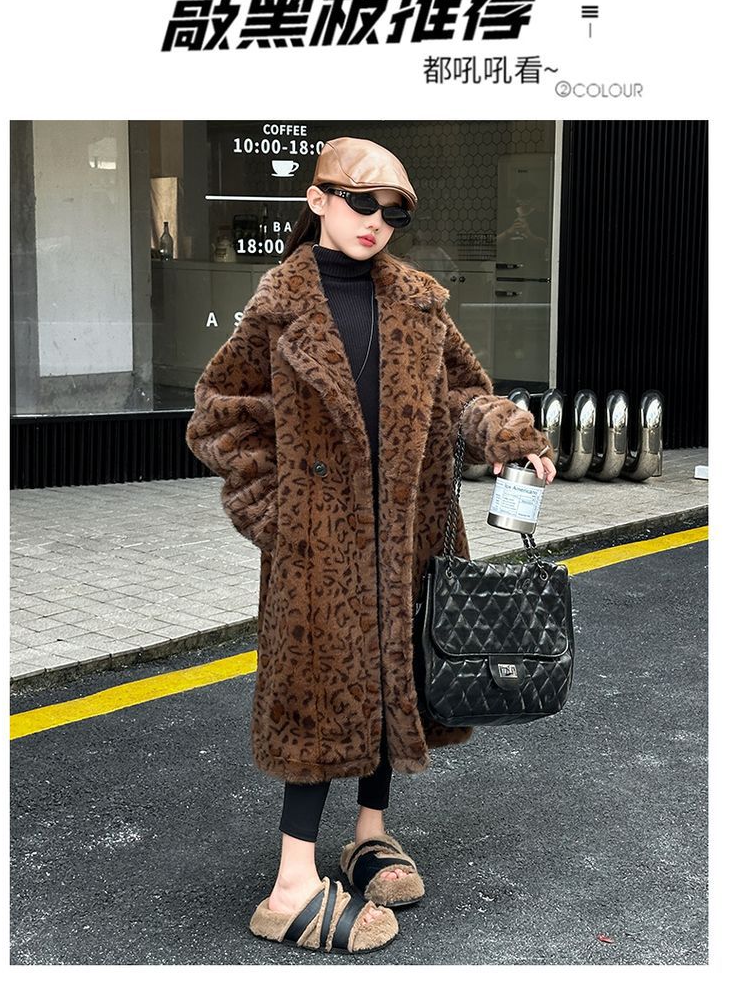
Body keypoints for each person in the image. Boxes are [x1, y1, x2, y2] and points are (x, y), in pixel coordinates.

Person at [185, 137, 556, 954]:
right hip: (316, 549)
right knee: (316, 697)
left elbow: (463, 394)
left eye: (394, 211)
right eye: (361, 202)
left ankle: (368, 836)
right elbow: (219, 413)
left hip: (410, 533)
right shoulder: (280, 307)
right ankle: (289, 886)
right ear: (317, 199)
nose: (376, 221)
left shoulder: (419, 303)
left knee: (397, 678)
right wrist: (276, 512)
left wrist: (505, 433)